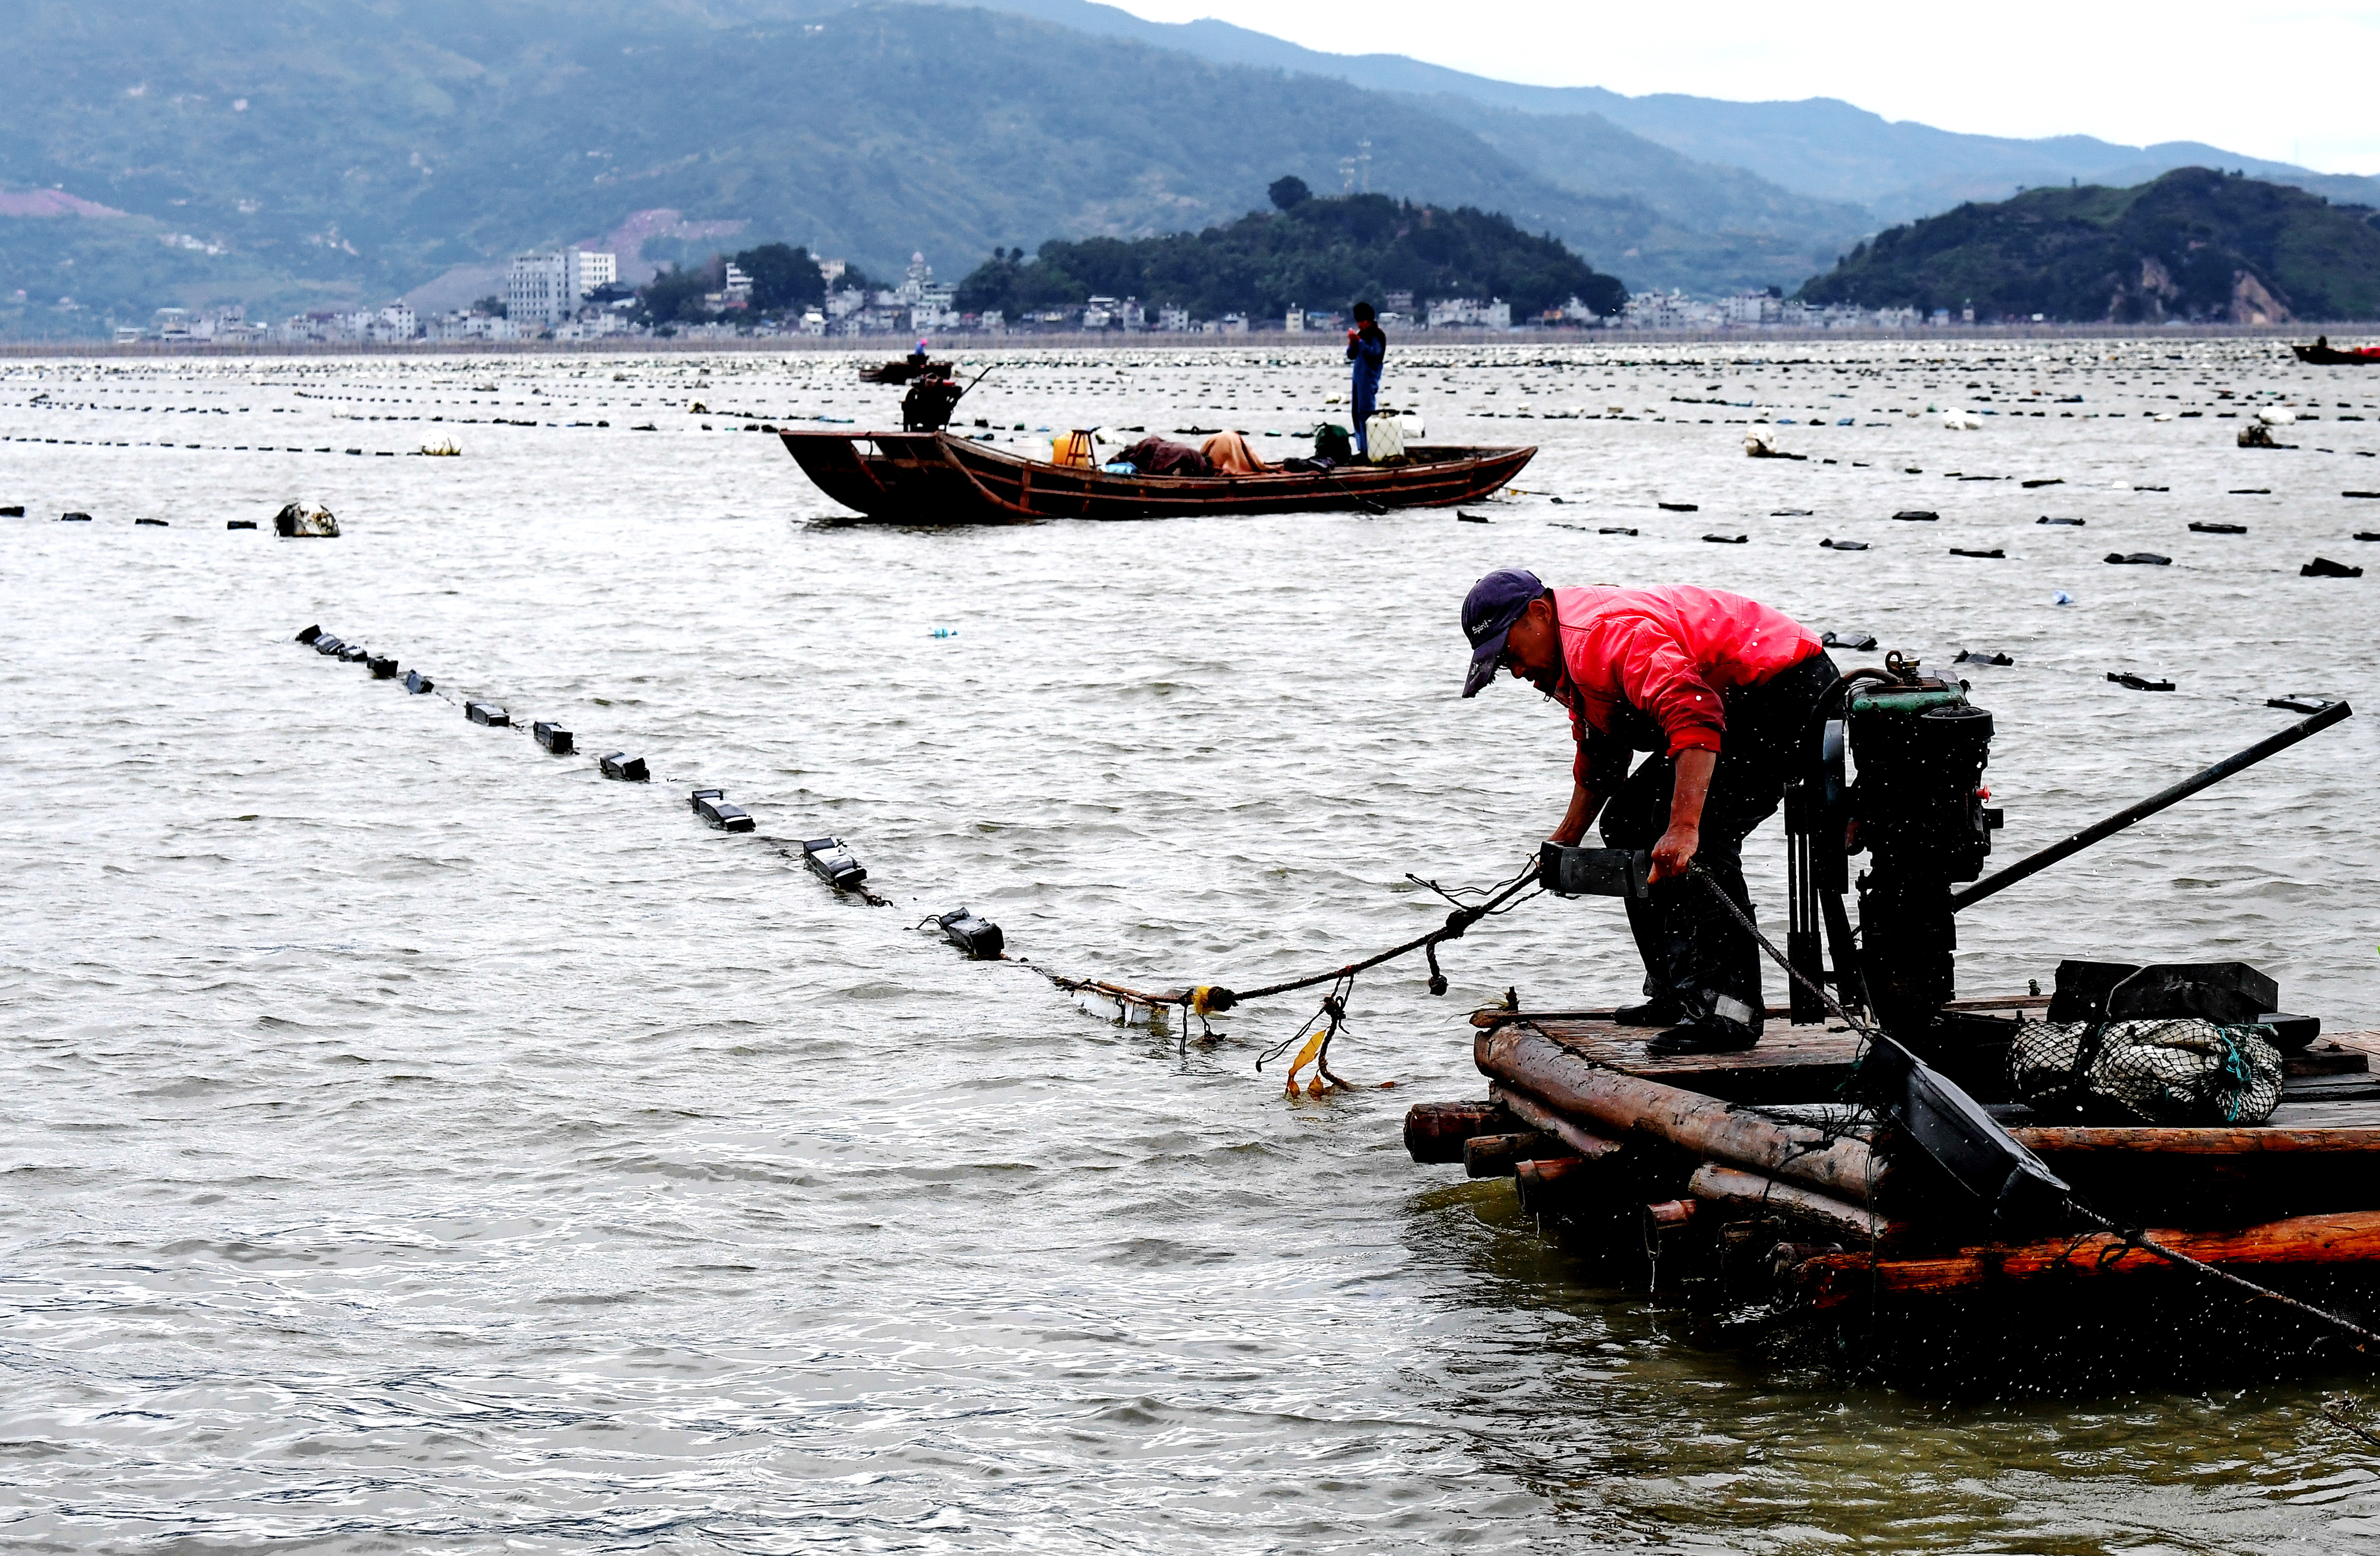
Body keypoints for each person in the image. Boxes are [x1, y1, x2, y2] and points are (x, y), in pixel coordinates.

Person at [1459, 569, 1838, 1055]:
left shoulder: (1607, 635)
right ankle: (1677, 993)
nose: (1514, 672)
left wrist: (1683, 828)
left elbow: (1694, 714)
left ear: (1539, 614)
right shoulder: (1569, 658)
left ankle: (1727, 1011)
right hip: (1731, 705)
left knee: (1701, 837)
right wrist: (1566, 839)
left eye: (1510, 655)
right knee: (1627, 823)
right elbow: (1603, 754)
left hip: (1786, 691)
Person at [1345, 302, 1386, 459]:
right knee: (1356, 414)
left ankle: (1369, 450)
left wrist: (1360, 343)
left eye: (1362, 322)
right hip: (1357, 378)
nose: (1360, 325)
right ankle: (1362, 448)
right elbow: (1351, 355)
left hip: (1368, 379)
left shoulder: (1377, 336)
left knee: (1366, 414)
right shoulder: (1361, 334)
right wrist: (1352, 344)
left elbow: (1375, 355)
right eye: (1358, 322)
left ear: (1369, 321)